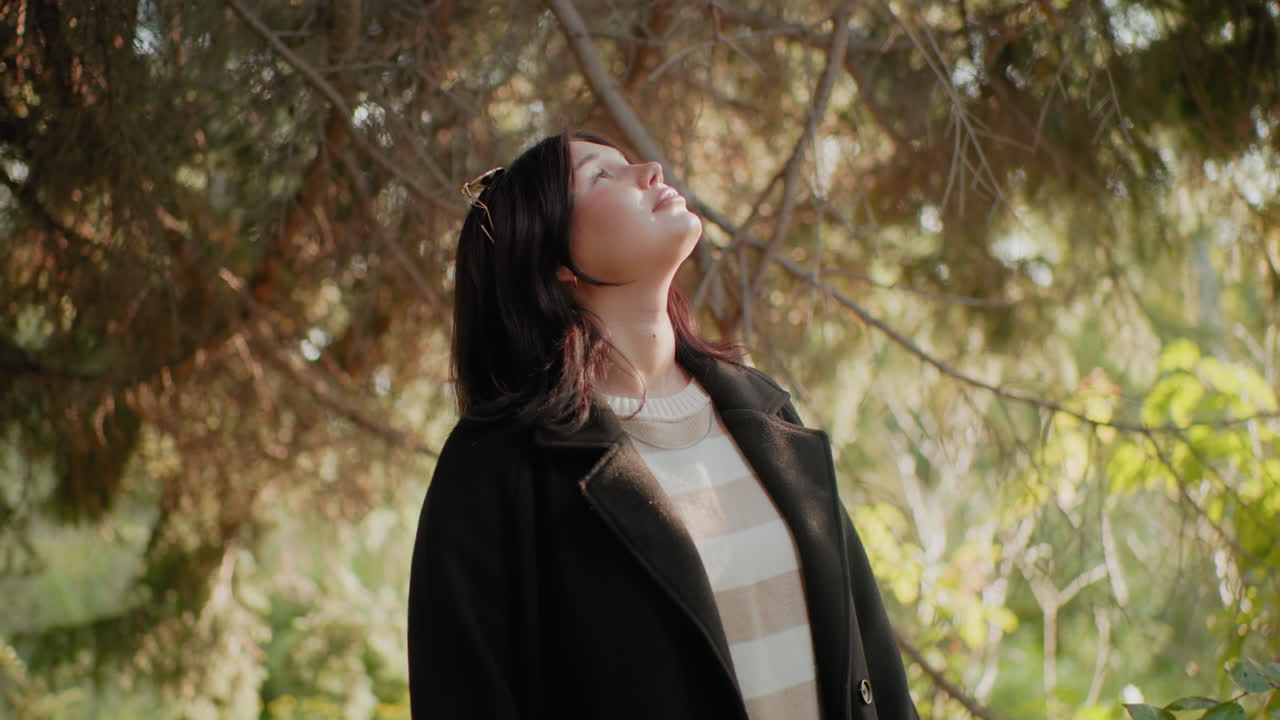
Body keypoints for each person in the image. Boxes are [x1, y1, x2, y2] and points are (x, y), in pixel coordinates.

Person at [406, 129, 918, 720]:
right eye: (601, 175)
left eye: (629, 162)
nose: (649, 169)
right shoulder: (496, 469)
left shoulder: (767, 412)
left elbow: (873, 659)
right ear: (550, 261)